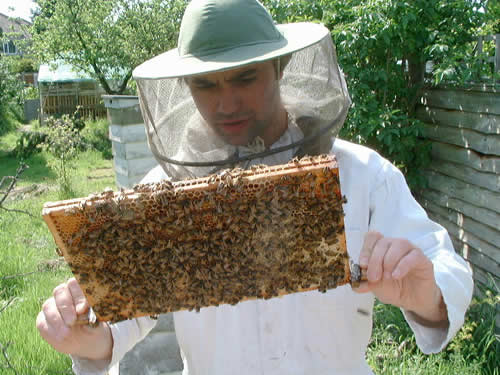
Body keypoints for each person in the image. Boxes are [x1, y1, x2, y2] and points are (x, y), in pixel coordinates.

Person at [36, 0, 473, 374]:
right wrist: (83, 336)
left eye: (245, 77)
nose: (225, 103)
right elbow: (121, 319)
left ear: (280, 66)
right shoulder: (164, 192)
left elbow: (445, 269)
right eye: (205, 85)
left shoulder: (362, 173)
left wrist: (427, 293)